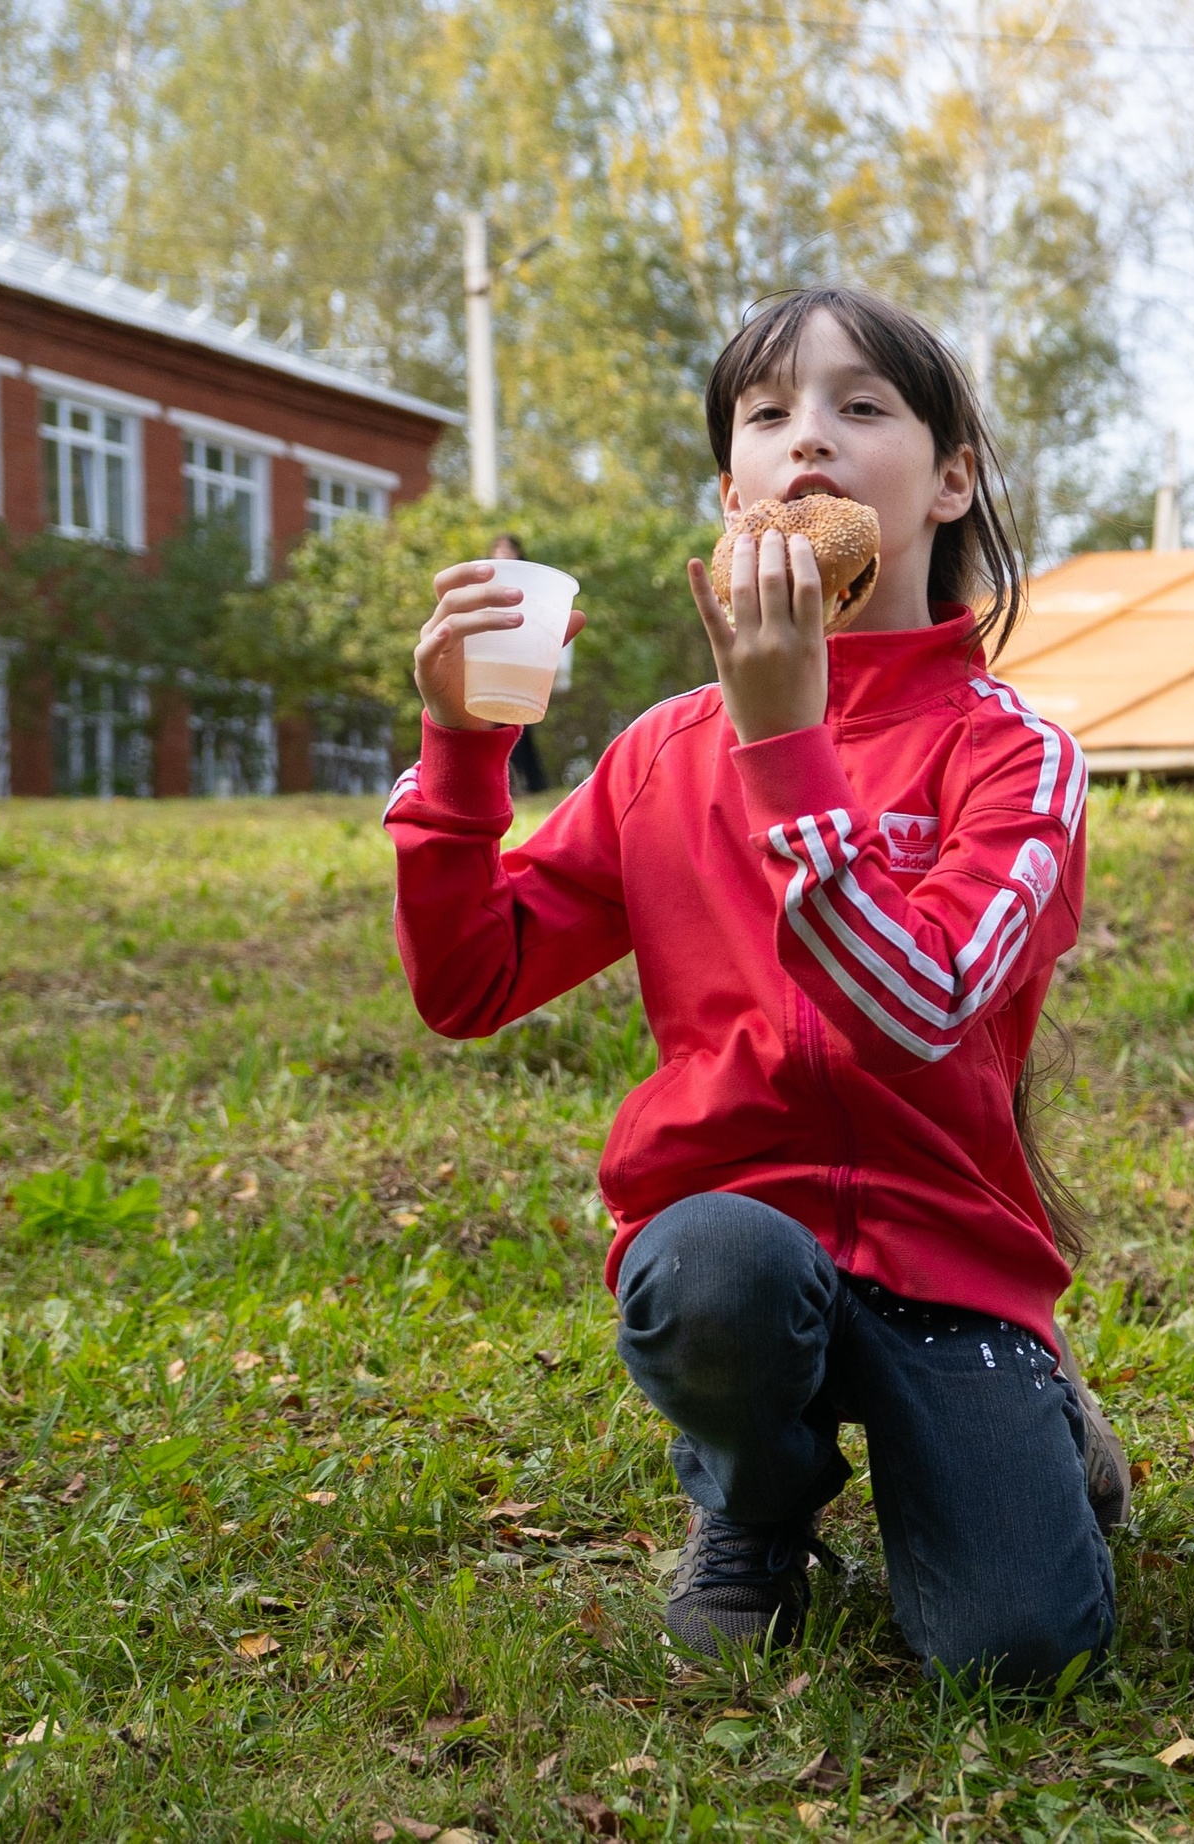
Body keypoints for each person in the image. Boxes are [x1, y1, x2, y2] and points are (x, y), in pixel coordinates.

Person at [385, 286, 1123, 1684]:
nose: (812, 444)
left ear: (952, 479)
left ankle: (1032, 1425)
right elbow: (470, 979)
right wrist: (461, 747)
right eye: (770, 416)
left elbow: (920, 1009)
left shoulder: (1011, 755)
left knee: (1017, 1652)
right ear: (732, 489)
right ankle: (753, 1501)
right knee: (715, 1265)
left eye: (862, 409)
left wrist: (789, 749)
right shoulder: (663, 753)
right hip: (739, 1244)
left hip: (946, 1256)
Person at [487, 534, 554, 796]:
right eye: (498, 548)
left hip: (521, 661)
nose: (503, 553)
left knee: (521, 726)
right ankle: (504, 785)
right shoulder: (487, 581)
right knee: (496, 725)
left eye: (508, 548)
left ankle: (532, 783)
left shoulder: (530, 582)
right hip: (493, 661)